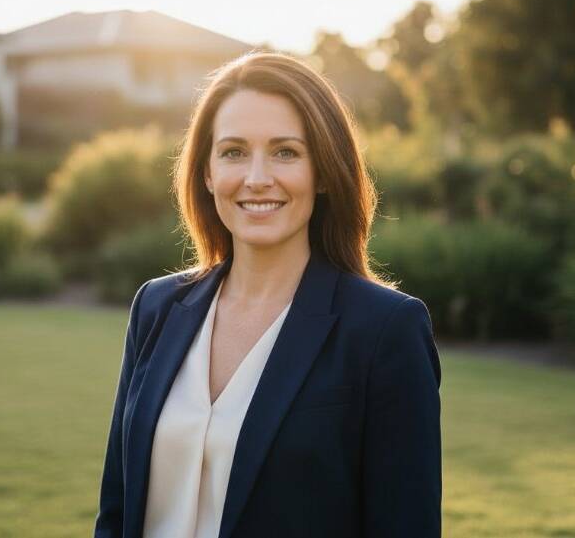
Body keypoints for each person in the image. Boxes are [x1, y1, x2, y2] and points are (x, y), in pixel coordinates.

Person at [93, 51, 442, 538]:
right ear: (207, 172)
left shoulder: (384, 329)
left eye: (285, 152)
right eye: (234, 151)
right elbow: (115, 511)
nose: (257, 178)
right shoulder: (156, 308)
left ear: (322, 172)